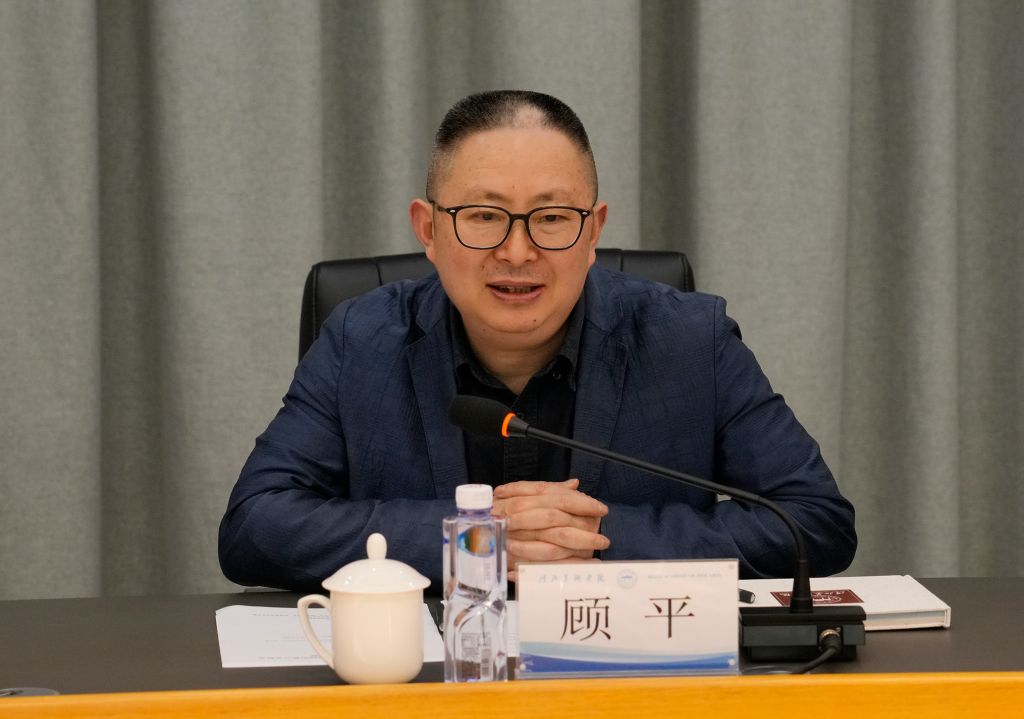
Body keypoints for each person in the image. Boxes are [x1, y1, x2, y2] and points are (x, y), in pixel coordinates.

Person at [218, 90, 856, 593]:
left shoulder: (691, 340)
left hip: (628, 678)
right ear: (429, 230)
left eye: (551, 218)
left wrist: (593, 538)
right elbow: (253, 527)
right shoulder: (361, 339)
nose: (518, 252)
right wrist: (475, 540)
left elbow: (816, 521)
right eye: (483, 216)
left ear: (593, 231)